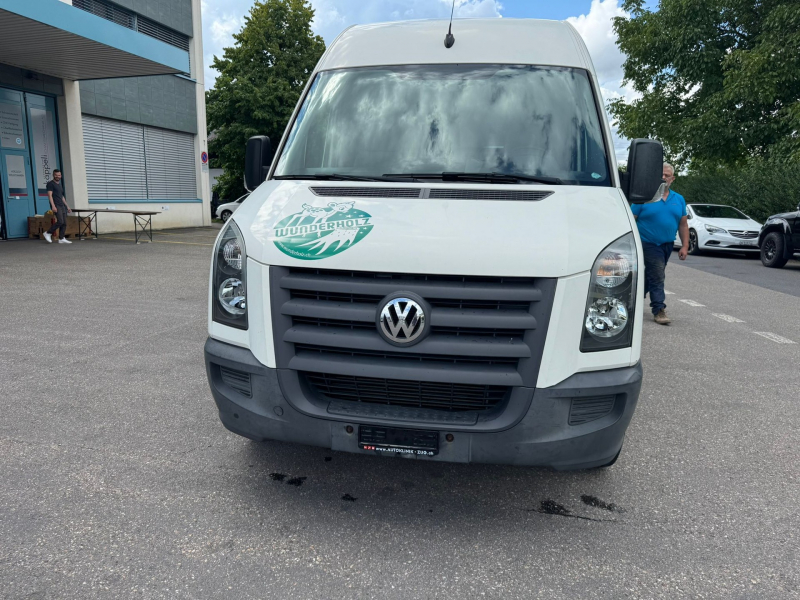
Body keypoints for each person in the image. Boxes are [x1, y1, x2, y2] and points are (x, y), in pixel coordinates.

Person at [630, 162, 689, 325]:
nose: (663, 178)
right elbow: (631, 220)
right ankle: (658, 309)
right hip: (647, 243)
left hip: (667, 245)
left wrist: (685, 246)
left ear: (672, 179)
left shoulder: (679, 199)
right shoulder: (644, 198)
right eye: (660, 175)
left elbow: (683, 224)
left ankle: (632, 298)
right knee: (657, 275)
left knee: (652, 274)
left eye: (666, 176)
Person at [42, 169, 71, 244]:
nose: (58, 176)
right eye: (56, 175)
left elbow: (62, 197)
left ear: (61, 176)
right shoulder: (50, 184)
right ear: (53, 175)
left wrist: (67, 206)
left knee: (64, 223)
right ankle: (48, 233)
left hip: (62, 205)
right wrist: (53, 206)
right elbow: (50, 195)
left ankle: (61, 238)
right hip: (56, 205)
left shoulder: (59, 185)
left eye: (59, 175)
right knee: (60, 221)